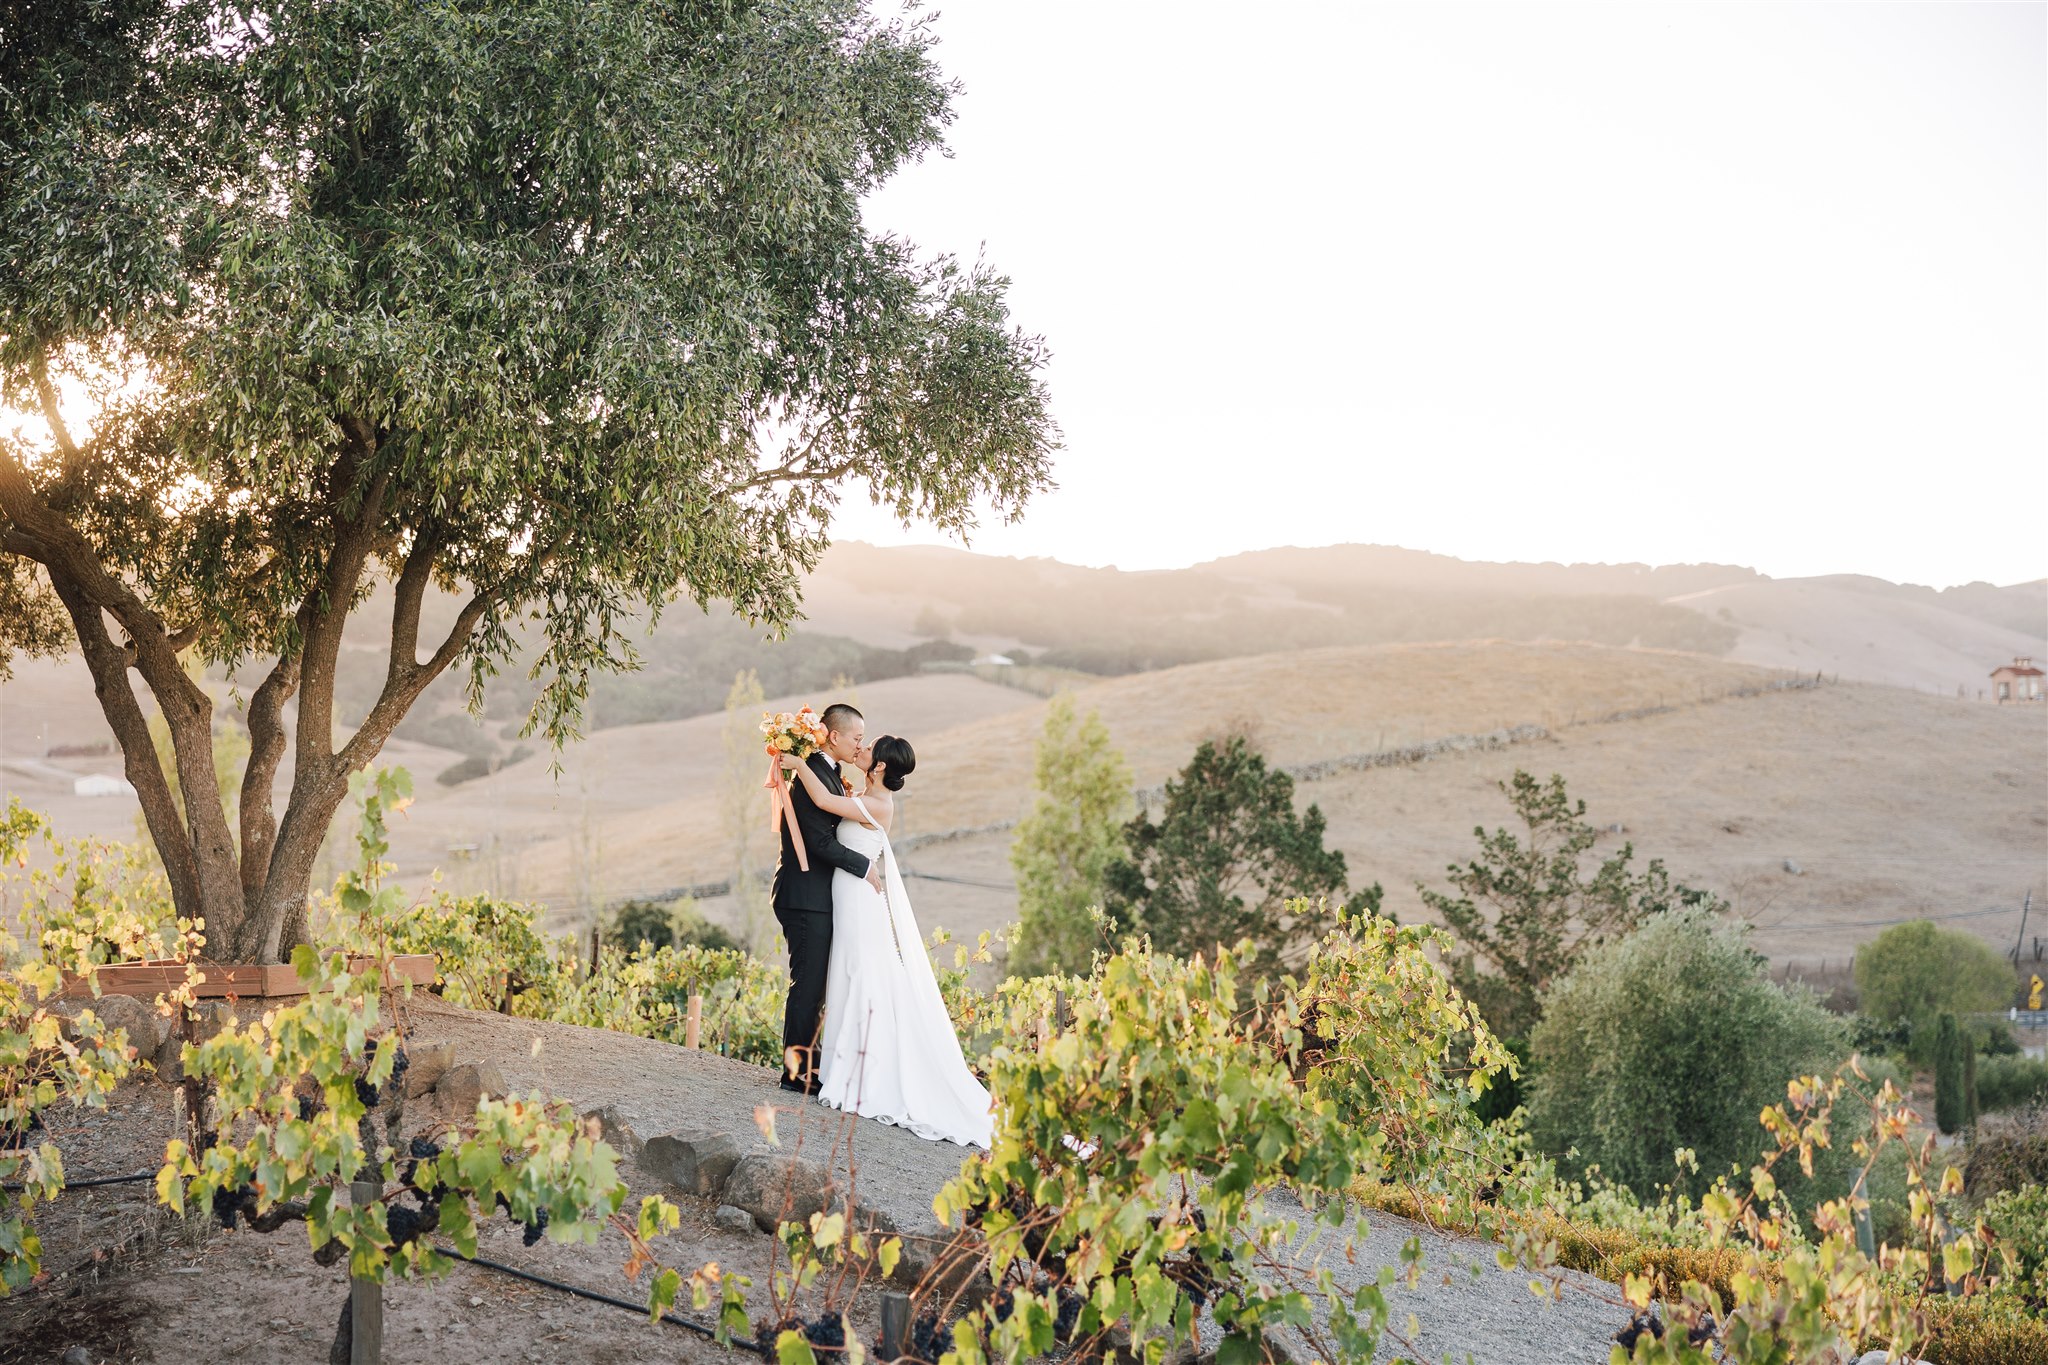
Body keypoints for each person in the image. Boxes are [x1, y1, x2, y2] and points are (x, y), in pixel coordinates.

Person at [781, 734, 994, 1148]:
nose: (859, 751)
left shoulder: (878, 804)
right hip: (845, 896)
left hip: (859, 901)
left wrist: (800, 764)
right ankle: (843, 1064)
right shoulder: (862, 792)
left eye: (867, 749)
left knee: (862, 975)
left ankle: (862, 1072)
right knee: (848, 974)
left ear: (879, 767)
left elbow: (825, 805)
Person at [770, 702, 881, 1095]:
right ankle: (795, 1074)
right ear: (834, 736)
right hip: (804, 896)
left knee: (816, 985)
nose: (859, 745)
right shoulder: (813, 773)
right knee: (808, 984)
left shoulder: (826, 774)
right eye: (856, 738)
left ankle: (810, 1067)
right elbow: (817, 842)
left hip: (818, 896)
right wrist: (864, 867)